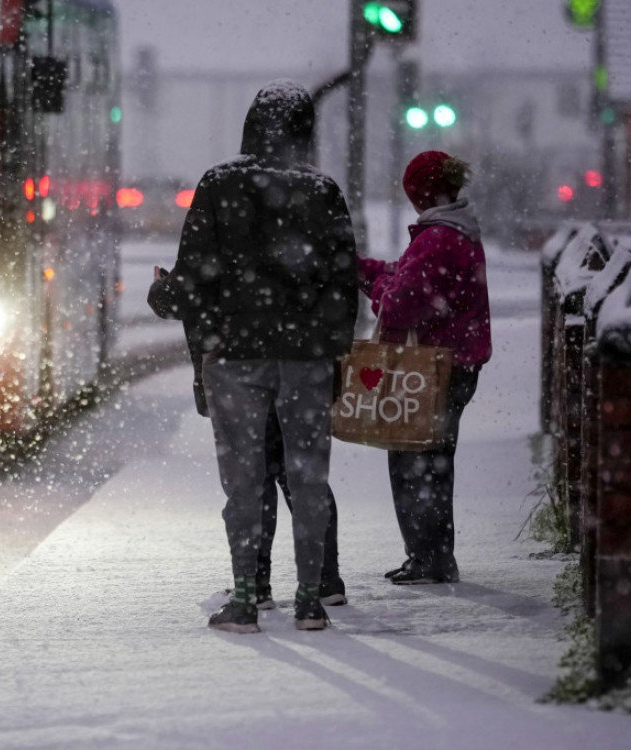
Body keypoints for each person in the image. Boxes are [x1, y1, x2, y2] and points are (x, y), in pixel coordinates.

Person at [152, 80, 358, 632]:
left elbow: (194, 283)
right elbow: (344, 286)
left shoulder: (220, 184)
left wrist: (162, 293)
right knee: (308, 477)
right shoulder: (324, 191)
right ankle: (311, 600)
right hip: (307, 358)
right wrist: (332, 352)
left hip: (235, 358)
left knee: (244, 481)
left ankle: (246, 597)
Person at [148, 270, 348, 610]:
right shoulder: (303, 229)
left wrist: (163, 286)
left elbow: (173, 301)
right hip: (301, 364)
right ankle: (324, 581)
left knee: (253, 479)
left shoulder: (221, 231)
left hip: (241, 372)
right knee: (302, 475)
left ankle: (256, 584)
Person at [358, 150, 492, 585]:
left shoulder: (438, 237)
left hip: (436, 369)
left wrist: (376, 285)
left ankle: (428, 558)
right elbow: (406, 276)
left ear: (419, 194)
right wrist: (365, 270)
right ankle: (434, 556)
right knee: (434, 463)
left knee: (415, 462)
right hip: (457, 364)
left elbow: (399, 304)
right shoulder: (457, 231)